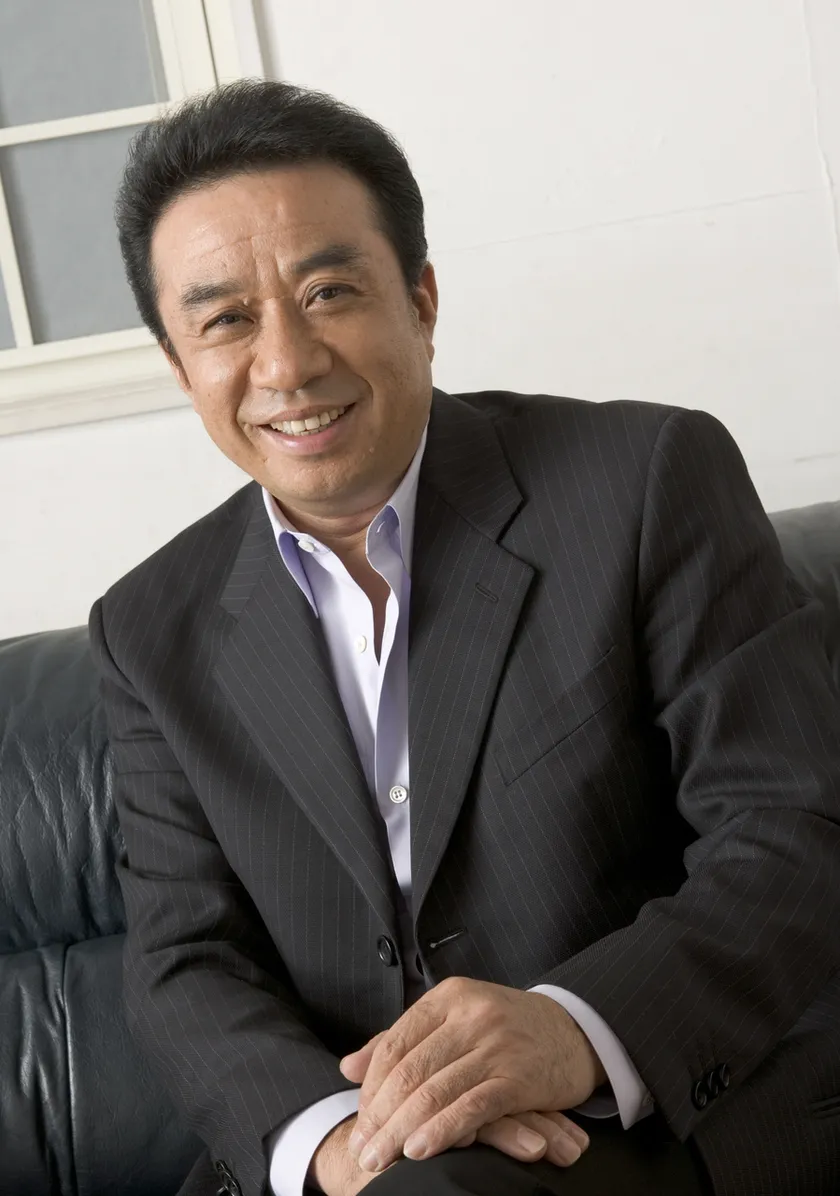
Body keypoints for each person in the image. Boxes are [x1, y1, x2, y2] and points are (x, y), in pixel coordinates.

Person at [88, 80, 840, 1196]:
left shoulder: (645, 483)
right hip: (351, 1152)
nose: (286, 365)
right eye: (226, 320)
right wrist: (335, 1144)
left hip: (632, 1118)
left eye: (328, 291)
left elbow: (790, 827)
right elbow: (183, 959)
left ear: (422, 301)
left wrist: (573, 1026)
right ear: (179, 363)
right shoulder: (149, 627)